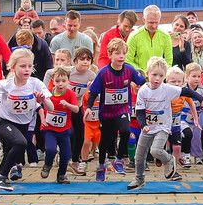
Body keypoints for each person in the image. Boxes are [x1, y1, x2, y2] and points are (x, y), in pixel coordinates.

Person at [0, 49, 53, 200]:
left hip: (23, 124)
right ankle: (2, 176)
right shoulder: (6, 84)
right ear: (13, 67)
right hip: (5, 122)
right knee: (21, 143)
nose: (27, 69)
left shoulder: (35, 84)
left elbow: (51, 107)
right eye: (23, 66)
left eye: (29, 66)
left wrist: (43, 100)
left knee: (11, 154)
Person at [126, 56, 203, 190]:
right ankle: (139, 179)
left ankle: (169, 160)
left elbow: (186, 91)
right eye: (154, 75)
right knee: (139, 156)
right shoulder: (143, 91)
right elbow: (140, 111)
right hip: (147, 127)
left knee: (156, 150)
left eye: (161, 75)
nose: (157, 78)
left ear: (164, 77)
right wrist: (143, 125)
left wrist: (202, 98)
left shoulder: (167, 89)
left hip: (163, 127)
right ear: (147, 74)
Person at [86, 38, 145, 181]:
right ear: (110, 55)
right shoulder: (103, 73)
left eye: (123, 53)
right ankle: (101, 165)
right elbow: (93, 92)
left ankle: (119, 159)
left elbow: (143, 83)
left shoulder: (129, 69)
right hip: (106, 112)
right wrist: (88, 107)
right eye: (118, 53)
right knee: (106, 139)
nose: (121, 56)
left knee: (125, 131)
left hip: (123, 109)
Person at [39, 66, 78, 184]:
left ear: (68, 81)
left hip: (64, 130)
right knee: (51, 149)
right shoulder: (48, 93)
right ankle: (47, 164)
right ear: (52, 81)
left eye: (63, 81)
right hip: (49, 128)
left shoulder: (70, 94)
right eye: (57, 81)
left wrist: (67, 105)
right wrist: (42, 119)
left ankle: (61, 175)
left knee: (66, 154)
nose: (60, 84)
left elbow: (76, 109)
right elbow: (39, 107)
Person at [67, 47, 95, 175]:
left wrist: (91, 88)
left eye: (88, 59)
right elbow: (50, 72)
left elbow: (97, 92)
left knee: (80, 135)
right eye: (82, 59)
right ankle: (64, 155)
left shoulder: (91, 75)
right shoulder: (69, 72)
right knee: (69, 133)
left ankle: (74, 161)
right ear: (75, 61)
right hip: (64, 107)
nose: (85, 62)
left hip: (78, 107)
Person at [126, 5, 173, 72]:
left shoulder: (166, 36)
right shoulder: (134, 36)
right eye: (151, 22)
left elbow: (169, 61)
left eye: (156, 22)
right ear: (144, 20)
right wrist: (143, 73)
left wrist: (159, 74)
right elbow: (128, 60)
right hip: (139, 78)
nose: (154, 26)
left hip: (159, 78)